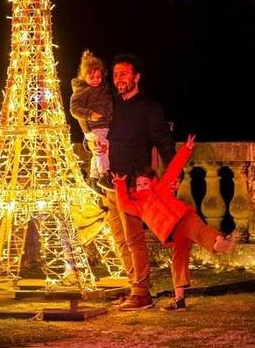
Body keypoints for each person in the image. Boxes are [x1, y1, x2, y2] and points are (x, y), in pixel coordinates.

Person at [111, 134, 238, 311]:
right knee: (178, 261)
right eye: (139, 184)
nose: (141, 186)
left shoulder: (161, 188)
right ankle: (179, 300)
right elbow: (123, 204)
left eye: (145, 183)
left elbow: (174, 168)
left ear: (153, 182)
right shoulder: (138, 206)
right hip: (172, 233)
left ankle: (219, 243)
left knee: (201, 231)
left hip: (183, 218)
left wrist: (186, 149)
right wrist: (119, 185)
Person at [104, 53, 178, 310]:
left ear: (137, 77)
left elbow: (166, 146)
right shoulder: (114, 105)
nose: (119, 79)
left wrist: (173, 177)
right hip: (112, 185)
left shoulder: (149, 109)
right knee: (120, 239)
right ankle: (133, 283)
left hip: (134, 187)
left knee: (135, 240)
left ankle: (142, 293)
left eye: (124, 74)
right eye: (115, 75)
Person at [69, 50, 113, 188]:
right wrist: (89, 114)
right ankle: (104, 174)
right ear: (83, 76)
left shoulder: (102, 89)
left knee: (98, 152)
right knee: (102, 149)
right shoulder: (82, 91)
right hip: (95, 126)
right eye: (92, 77)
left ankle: (94, 177)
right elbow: (74, 109)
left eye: (98, 77)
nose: (96, 80)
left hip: (101, 126)